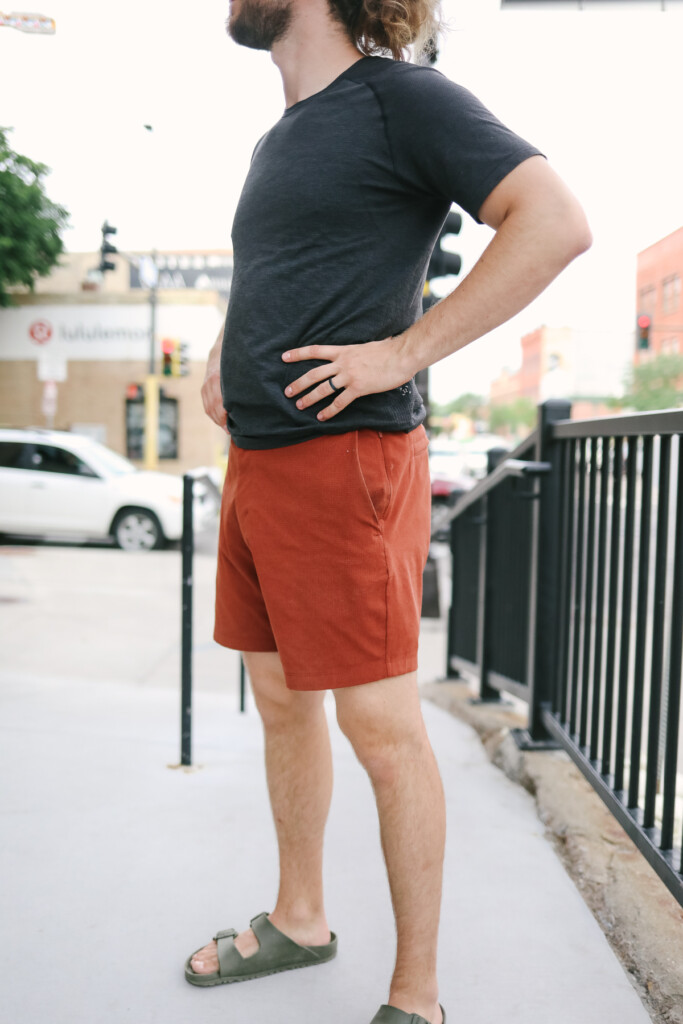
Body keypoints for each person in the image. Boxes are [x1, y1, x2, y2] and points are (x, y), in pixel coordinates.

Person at [185, 1, 592, 1021]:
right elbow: (283, 266)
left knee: (380, 728)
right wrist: (225, 347)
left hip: (345, 463)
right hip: (259, 462)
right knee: (280, 701)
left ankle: (416, 995)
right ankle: (301, 915)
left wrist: (402, 351)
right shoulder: (279, 134)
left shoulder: (398, 99)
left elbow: (553, 221)